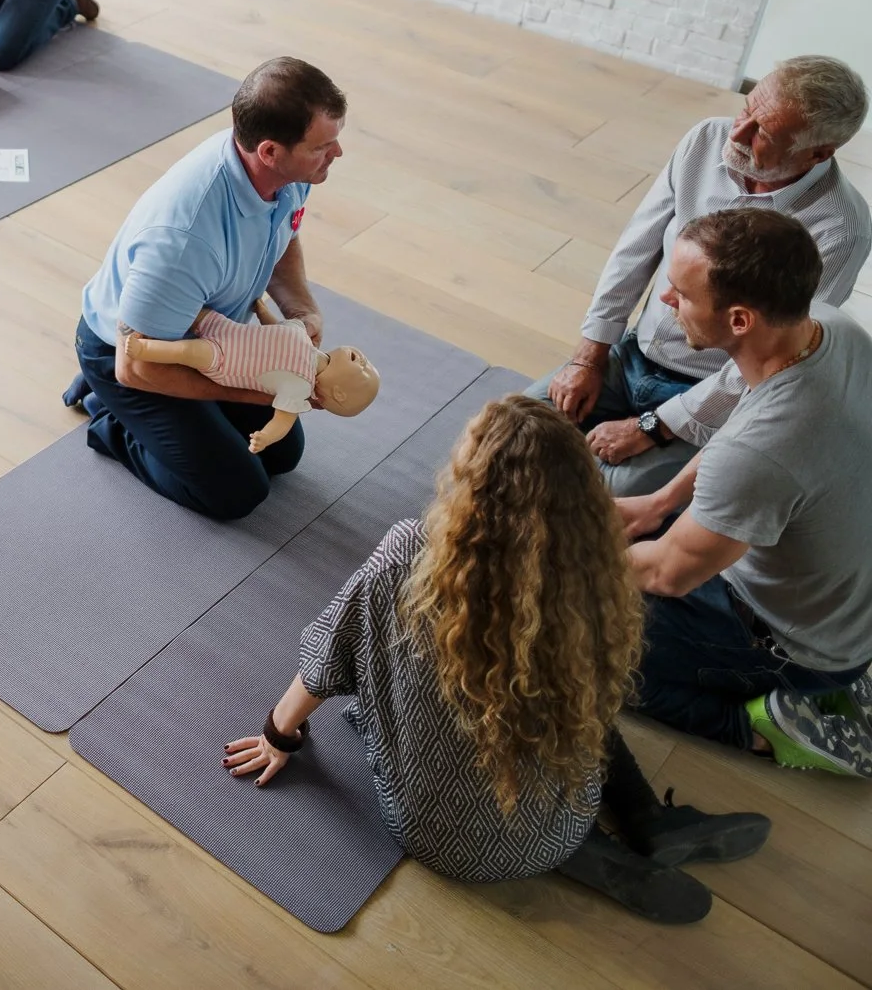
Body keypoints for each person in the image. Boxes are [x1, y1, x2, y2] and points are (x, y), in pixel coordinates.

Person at [224, 396, 769, 924]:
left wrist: (278, 734)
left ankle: (585, 844)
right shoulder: (592, 575)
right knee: (582, 703)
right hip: (560, 818)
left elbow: (328, 654)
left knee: (417, 698)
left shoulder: (407, 554)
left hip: (436, 836)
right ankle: (642, 819)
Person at [533, 56, 868, 496]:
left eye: (763, 133)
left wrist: (655, 426)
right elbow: (635, 250)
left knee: (606, 492)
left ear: (818, 153)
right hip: (633, 353)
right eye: (746, 110)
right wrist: (588, 357)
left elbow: (777, 353)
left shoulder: (840, 229)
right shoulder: (706, 139)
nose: (738, 133)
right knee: (516, 430)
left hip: (715, 396)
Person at [620, 208, 872, 775]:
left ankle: (765, 728)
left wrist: (565, 555)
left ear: (738, 320)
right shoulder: (829, 328)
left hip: (793, 646)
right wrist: (658, 504)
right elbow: (746, 425)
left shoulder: (761, 451)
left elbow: (667, 574)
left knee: (576, 649)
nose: (665, 299)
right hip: (842, 606)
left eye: (681, 293)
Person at [66, 57, 344, 520]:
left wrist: (301, 310)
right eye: (322, 146)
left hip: (210, 339)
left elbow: (283, 234)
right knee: (237, 493)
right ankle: (109, 419)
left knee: (282, 455)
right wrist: (258, 395)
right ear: (270, 151)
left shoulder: (285, 174)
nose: (337, 153)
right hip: (134, 355)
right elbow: (136, 366)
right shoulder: (184, 239)